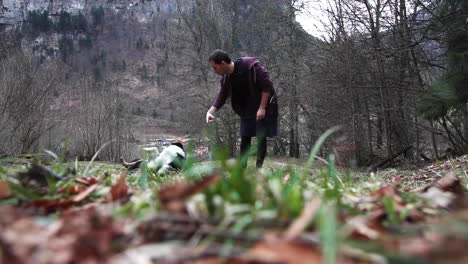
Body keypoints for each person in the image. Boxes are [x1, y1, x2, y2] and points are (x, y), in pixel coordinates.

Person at [206, 49, 278, 168]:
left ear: (223, 63)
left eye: (215, 67)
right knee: (245, 137)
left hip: (264, 105)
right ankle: (242, 170)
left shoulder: (251, 66)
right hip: (246, 110)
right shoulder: (226, 79)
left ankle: (258, 169)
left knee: (261, 138)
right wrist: (210, 111)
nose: (214, 71)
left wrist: (262, 108)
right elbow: (222, 96)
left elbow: (267, 87)